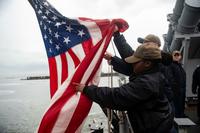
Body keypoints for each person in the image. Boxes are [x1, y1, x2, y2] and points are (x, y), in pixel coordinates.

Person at [73, 43, 174, 133]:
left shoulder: (147, 83)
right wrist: (113, 59)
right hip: (160, 124)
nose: (132, 64)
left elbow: (117, 97)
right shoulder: (155, 74)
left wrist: (87, 89)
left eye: (135, 61)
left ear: (147, 64)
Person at [168, 51, 186, 118]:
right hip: (176, 91)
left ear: (180, 57)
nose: (176, 56)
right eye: (175, 55)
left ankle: (181, 117)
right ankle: (176, 120)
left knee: (181, 106)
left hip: (182, 91)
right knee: (176, 108)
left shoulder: (180, 66)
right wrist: (175, 89)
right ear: (172, 56)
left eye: (178, 55)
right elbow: (170, 79)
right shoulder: (170, 65)